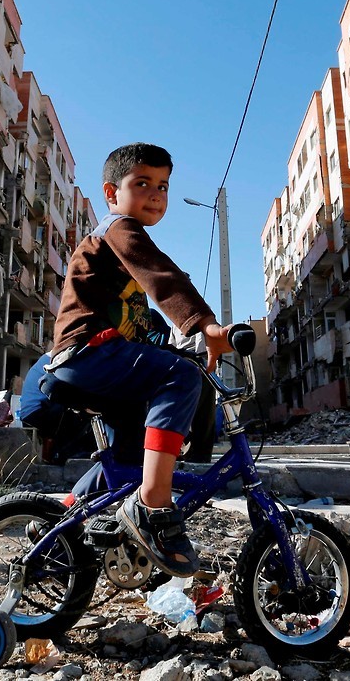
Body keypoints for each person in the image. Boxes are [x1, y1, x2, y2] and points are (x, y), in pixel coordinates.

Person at [42, 143, 232, 576]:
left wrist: (178, 348)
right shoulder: (118, 230)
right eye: (142, 183)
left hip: (102, 357)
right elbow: (161, 274)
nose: (155, 195)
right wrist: (204, 323)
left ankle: (61, 526)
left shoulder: (120, 255)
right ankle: (153, 506)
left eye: (163, 186)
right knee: (180, 378)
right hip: (85, 353)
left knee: (129, 452)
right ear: (112, 193)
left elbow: (142, 323)